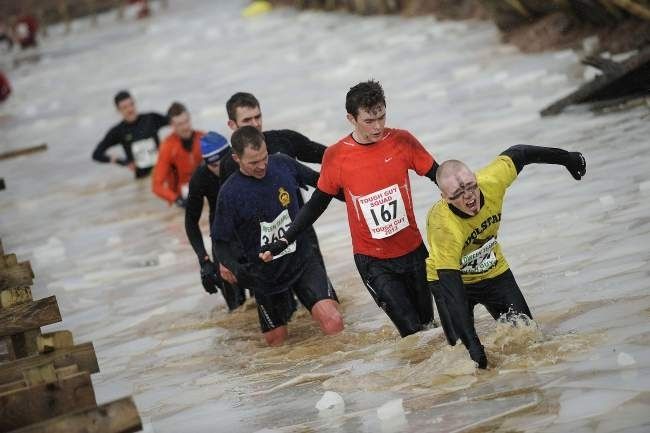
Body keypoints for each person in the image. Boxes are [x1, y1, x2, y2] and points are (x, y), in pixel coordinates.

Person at [261, 79, 439, 338]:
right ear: (351, 118)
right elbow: (316, 205)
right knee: (412, 333)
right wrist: (284, 239)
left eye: (381, 116)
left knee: (429, 328)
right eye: (369, 120)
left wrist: (469, 194)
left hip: (413, 250)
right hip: (374, 260)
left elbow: (438, 175)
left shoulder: (402, 140)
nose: (378, 126)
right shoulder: (337, 156)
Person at [425, 145, 587, 368]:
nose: (469, 197)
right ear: (444, 197)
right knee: (463, 359)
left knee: (529, 338)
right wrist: (474, 346)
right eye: (458, 195)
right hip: (451, 281)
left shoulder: (492, 181)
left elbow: (520, 153)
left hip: (492, 271)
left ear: (475, 178)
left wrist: (567, 158)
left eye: (471, 187)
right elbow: (453, 292)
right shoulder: (444, 227)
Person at [213, 126, 343, 346]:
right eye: (253, 162)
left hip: (302, 261)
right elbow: (220, 242)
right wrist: (235, 268)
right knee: (277, 347)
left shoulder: (283, 164)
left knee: (333, 320)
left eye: (264, 157)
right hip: (265, 276)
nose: (262, 165)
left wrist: (358, 192)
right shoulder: (229, 193)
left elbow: (325, 184)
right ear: (236, 158)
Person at [222, 91, 336, 289]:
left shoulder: (284, 141)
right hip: (259, 247)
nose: (256, 124)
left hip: (300, 232)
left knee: (327, 300)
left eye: (258, 117)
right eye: (247, 119)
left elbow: (331, 157)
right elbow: (223, 214)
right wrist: (225, 259)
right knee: (280, 314)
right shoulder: (230, 164)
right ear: (232, 125)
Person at [185, 131, 249, 311]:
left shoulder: (245, 164)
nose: (221, 168)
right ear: (206, 163)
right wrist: (204, 260)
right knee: (238, 310)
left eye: (223, 161)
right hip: (222, 237)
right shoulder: (200, 178)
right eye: (214, 165)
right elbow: (191, 221)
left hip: (249, 232)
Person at [92, 90, 168, 178]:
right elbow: (97, 154)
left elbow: (175, 123)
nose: (130, 109)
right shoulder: (118, 131)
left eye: (131, 104)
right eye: (124, 107)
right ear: (118, 110)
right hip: (142, 177)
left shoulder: (151, 118)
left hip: (164, 172)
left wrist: (169, 146)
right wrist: (122, 162)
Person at [152, 102, 203, 207]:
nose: (186, 127)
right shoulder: (167, 147)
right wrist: (176, 199)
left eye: (187, 121)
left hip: (204, 194)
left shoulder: (203, 138)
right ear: (172, 125)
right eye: (180, 124)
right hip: (180, 201)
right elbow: (156, 186)